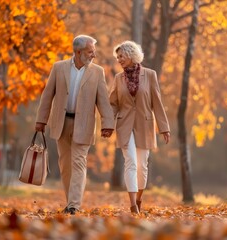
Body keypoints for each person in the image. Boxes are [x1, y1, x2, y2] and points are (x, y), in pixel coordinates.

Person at [35, 35, 115, 215]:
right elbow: (47, 96)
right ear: (78, 52)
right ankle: (70, 201)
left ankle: (73, 206)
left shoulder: (97, 72)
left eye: (93, 51)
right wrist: (41, 120)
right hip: (61, 123)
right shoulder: (59, 68)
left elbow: (103, 99)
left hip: (84, 125)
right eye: (90, 51)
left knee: (79, 163)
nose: (93, 55)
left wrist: (107, 123)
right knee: (65, 165)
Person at [110, 40, 170, 214]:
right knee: (130, 162)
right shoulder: (118, 78)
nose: (119, 59)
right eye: (118, 57)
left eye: (121, 56)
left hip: (145, 124)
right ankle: (132, 205)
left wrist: (164, 127)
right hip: (124, 124)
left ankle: (139, 197)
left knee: (142, 165)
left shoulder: (150, 75)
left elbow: (157, 102)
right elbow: (112, 103)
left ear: (130, 55)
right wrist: (108, 125)